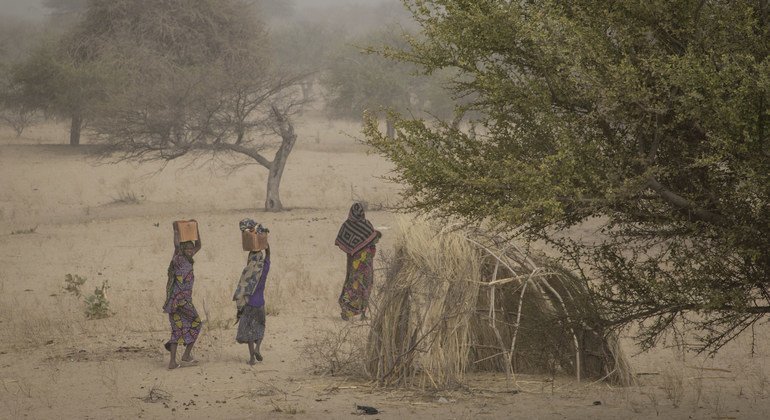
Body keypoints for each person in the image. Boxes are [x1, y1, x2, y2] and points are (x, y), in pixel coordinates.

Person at [163, 220, 202, 370]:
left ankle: (173, 362)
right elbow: (177, 246)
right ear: (183, 250)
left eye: (192, 249)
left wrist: (196, 228)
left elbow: (198, 245)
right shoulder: (179, 259)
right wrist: (176, 232)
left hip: (173, 302)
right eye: (188, 249)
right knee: (197, 323)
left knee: (176, 329)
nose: (191, 251)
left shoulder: (189, 260)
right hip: (182, 301)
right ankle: (186, 355)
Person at [233, 219, 271, 365]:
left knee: (249, 331)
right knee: (260, 327)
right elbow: (268, 256)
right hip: (260, 303)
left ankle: (251, 358)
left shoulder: (249, 270)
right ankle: (258, 348)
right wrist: (265, 244)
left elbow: (243, 286)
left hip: (249, 304)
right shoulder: (265, 267)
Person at [335, 203, 381, 321]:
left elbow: (344, 242)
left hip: (354, 261)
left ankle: (346, 311)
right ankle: (361, 313)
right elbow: (373, 239)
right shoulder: (367, 225)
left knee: (352, 283)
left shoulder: (346, 225)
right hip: (365, 262)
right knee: (365, 284)